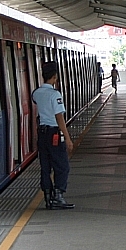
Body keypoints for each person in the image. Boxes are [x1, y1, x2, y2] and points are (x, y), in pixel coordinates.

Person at [32, 61, 74, 209]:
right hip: (54, 134)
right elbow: (59, 117)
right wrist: (67, 138)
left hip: (42, 134)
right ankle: (59, 196)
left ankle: (48, 197)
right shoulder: (55, 94)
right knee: (62, 165)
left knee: (45, 165)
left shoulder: (36, 93)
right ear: (55, 77)